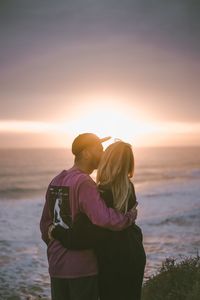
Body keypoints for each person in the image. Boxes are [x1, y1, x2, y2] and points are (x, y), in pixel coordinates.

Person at [40, 133, 137, 300]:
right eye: (99, 149)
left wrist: (56, 240)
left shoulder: (56, 180)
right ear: (86, 153)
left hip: (57, 265)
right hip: (81, 267)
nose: (103, 153)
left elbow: (45, 224)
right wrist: (129, 217)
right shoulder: (84, 182)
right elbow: (103, 219)